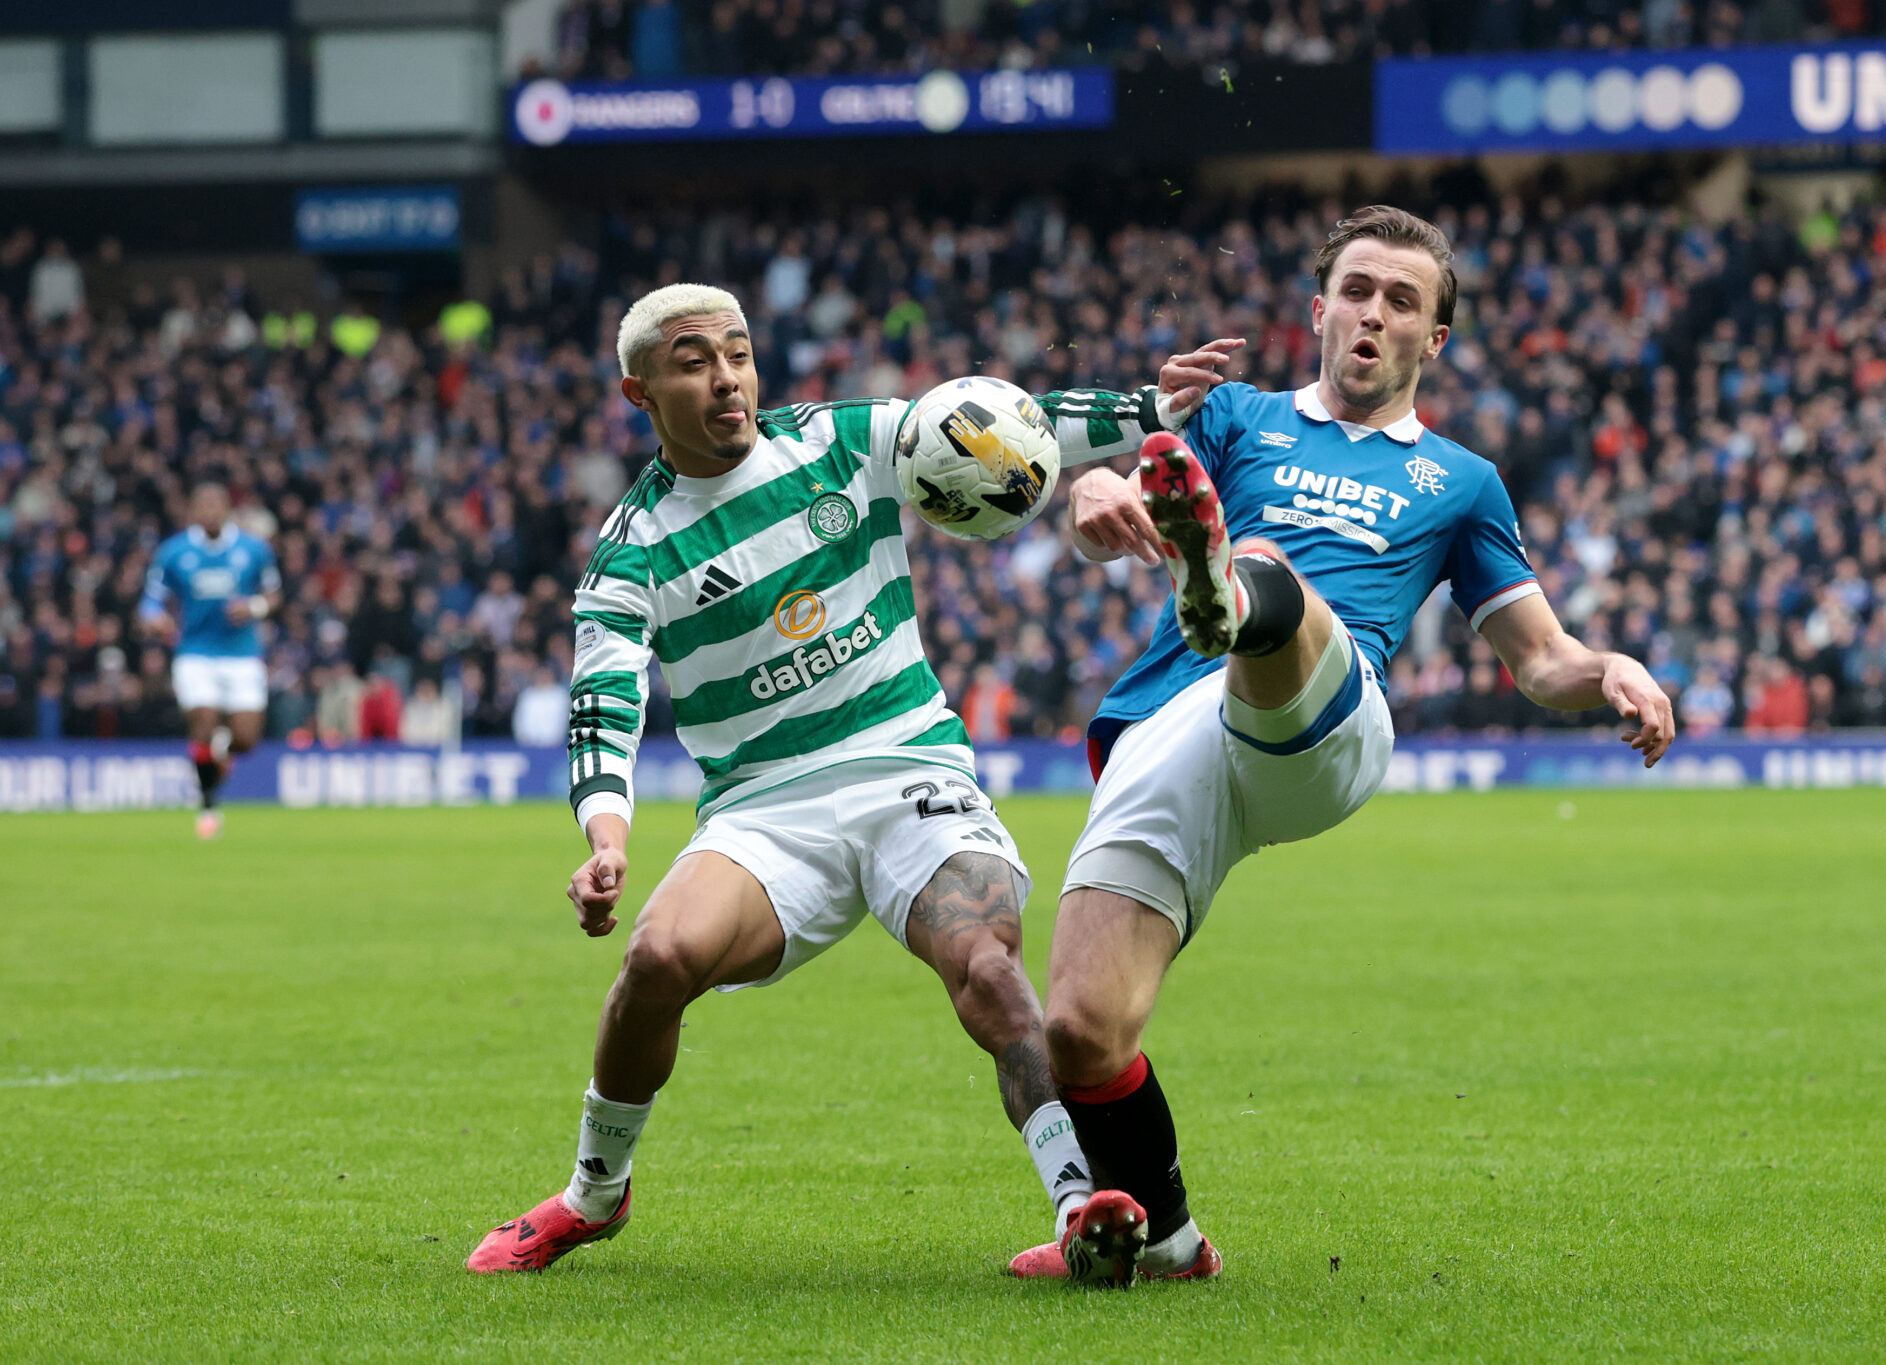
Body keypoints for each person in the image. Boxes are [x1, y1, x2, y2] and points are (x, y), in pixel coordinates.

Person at [466, 283, 1180, 1274]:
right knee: (656, 958)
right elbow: (604, 700)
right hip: (764, 807)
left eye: (738, 353)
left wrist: (1153, 405)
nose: (726, 379)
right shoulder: (633, 549)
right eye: (693, 362)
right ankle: (595, 1193)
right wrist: (607, 838)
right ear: (641, 393)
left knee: (986, 964)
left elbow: (1001, 421)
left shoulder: (839, 440)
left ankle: (1076, 1207)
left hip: (908, 765)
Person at [1041, 206, 1677, 1285]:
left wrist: (1609, 666)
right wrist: (1092, 489)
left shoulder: (1459, 482)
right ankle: (1172, 1240)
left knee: (1268, 575)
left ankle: (1232, 594)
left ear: (1434, 338)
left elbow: (1538, 658)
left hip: (1324, 721)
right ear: (1319, 310)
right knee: (1081, 1029)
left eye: (1401, 301)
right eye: (1357, 291)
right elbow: (1115, 500)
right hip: (1174, 726)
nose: (1374, 314)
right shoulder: (1235, 416)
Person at [138, 482, 281, 839]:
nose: (210, 512)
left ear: (227, 509)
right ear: (192, 511)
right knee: (203, 720)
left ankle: (218, 753)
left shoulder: (254, 549)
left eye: (216, 505)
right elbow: (151, 599)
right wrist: (155, 617)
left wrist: (254, 607)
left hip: (242, 653)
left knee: (246, 739)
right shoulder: (174, 552)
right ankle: (207, 805)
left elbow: (274, 595)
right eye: (202, 506)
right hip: (195, 652)